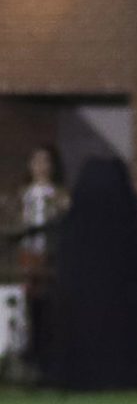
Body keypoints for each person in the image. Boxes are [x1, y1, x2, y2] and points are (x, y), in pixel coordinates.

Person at [17, 144, 65, 376]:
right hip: (30, 254)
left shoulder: (57, 194)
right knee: (30, 302)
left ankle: (50, 354)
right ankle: (30, 354)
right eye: (36, 161)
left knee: (49, 303)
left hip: (50, 253)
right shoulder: (25, 194)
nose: (41, 166)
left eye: (45, 161)